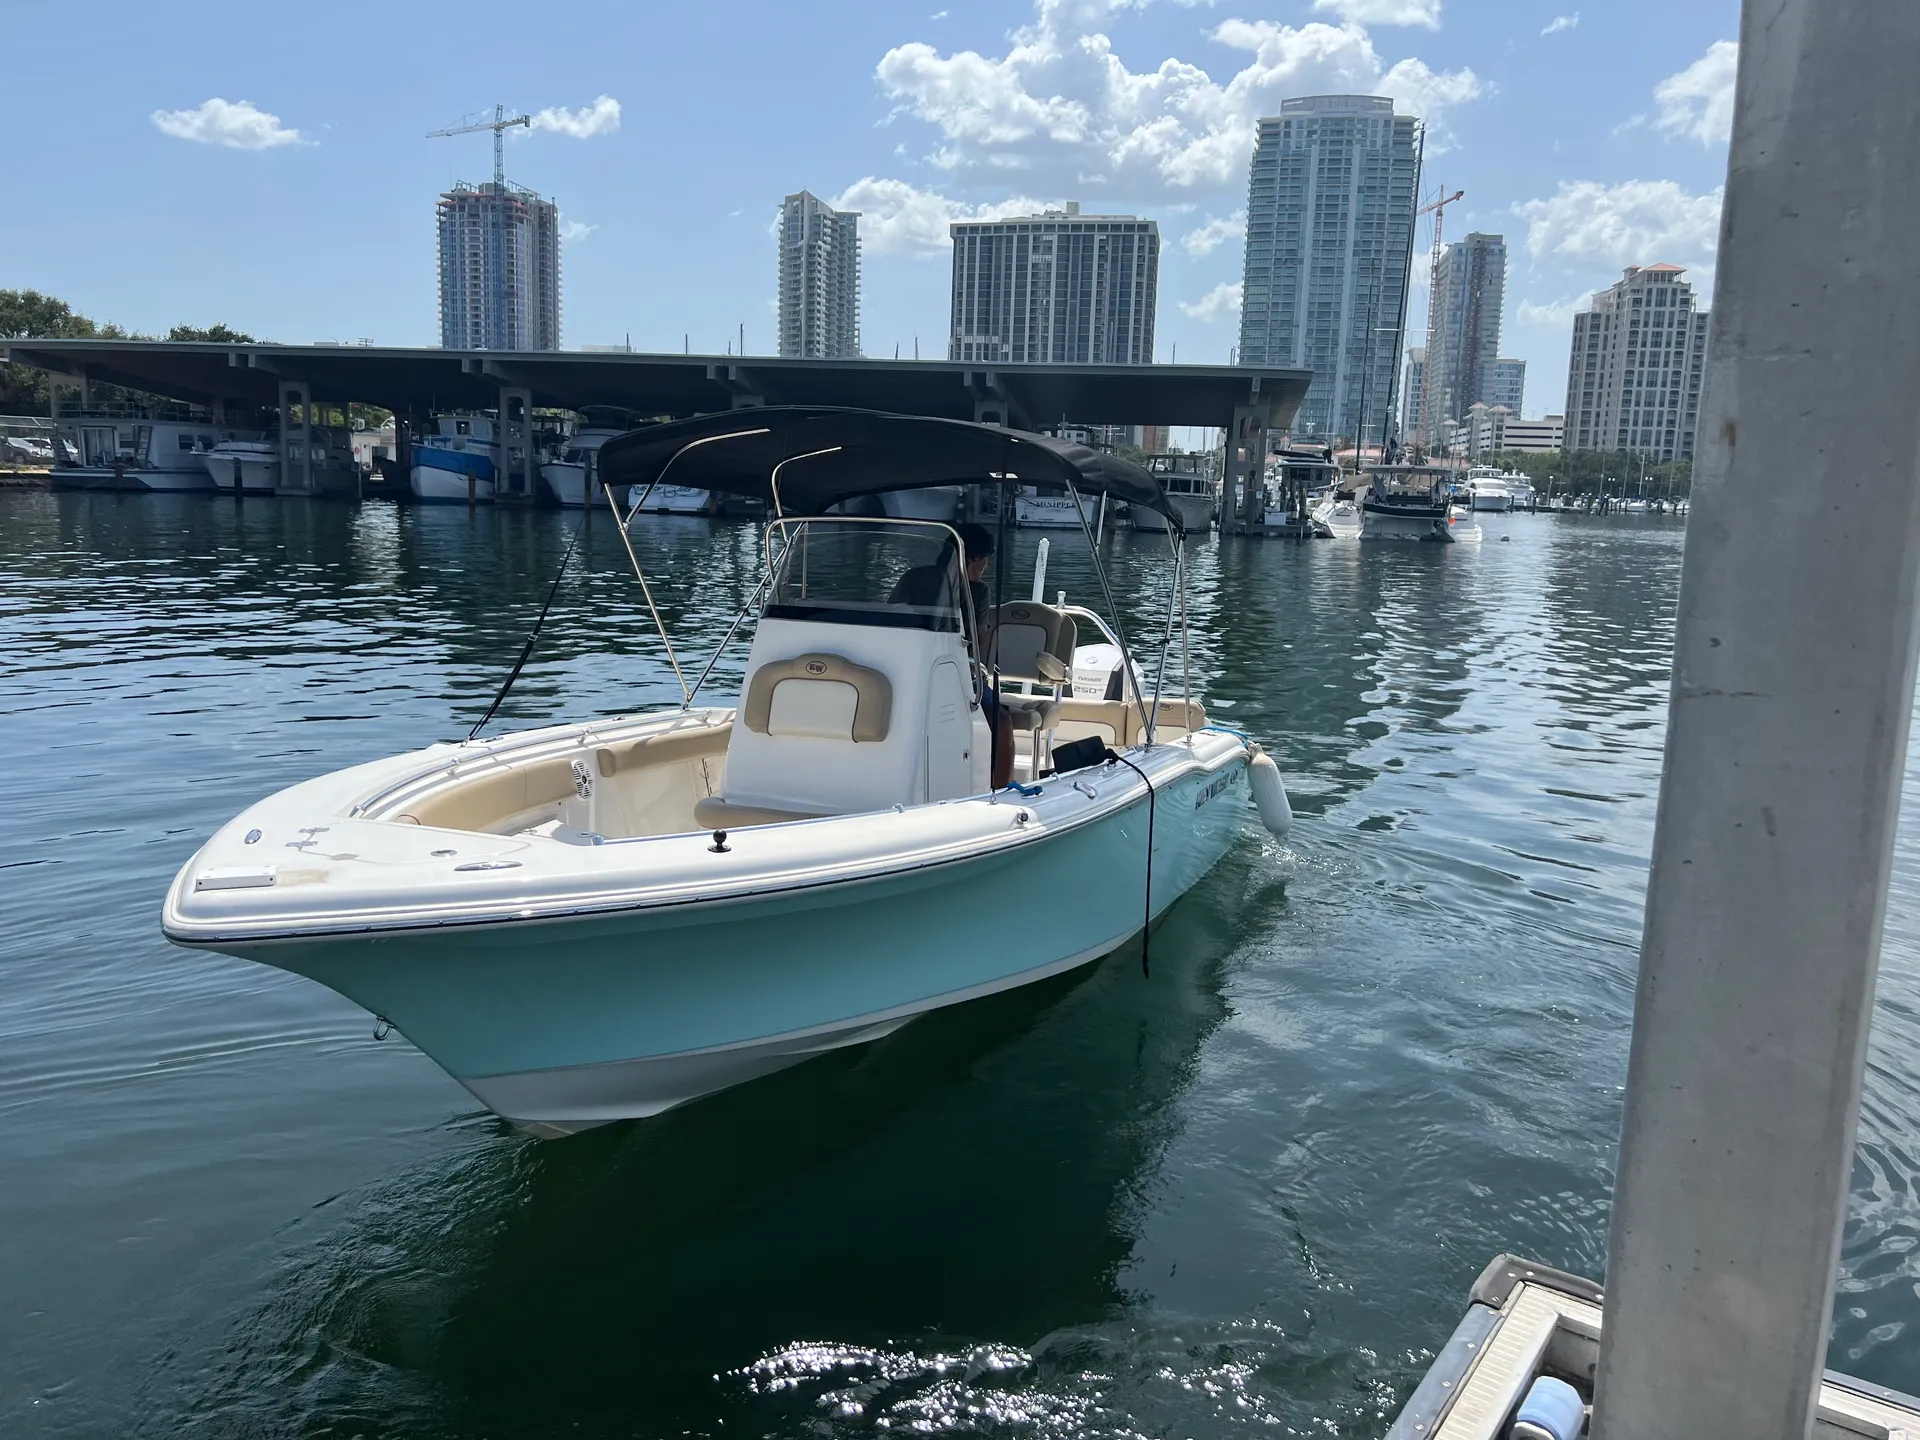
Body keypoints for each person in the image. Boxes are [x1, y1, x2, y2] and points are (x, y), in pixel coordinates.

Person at [889, 521, 1014, 787]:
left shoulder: (912, 577)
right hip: (954, 674)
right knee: (1002, 723)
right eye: (986, 561)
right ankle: (1001, 791)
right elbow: (977, 645)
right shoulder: (978, 592)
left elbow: (892, 619)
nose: (986, 568)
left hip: (907, 671)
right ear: (976, 558)